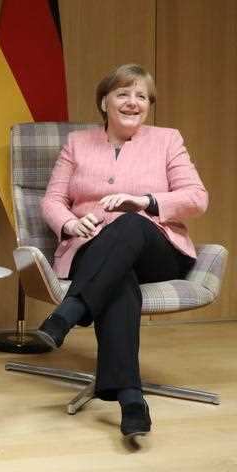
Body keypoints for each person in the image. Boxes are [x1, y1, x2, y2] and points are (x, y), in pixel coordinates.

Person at [37, 64, 208, 439]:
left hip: (157, 249)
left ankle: (71, 311)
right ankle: (132, 398)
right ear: (104, 101)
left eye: (141, 96)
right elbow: (52, 200)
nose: (133, 102)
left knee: (130, 224)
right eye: (123, 94)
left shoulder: (167, 140)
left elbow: (197, 198)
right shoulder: (78, 143)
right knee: (117, 279)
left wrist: (144, 202)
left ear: (149, 105)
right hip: (92, 248)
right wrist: (69, 224)